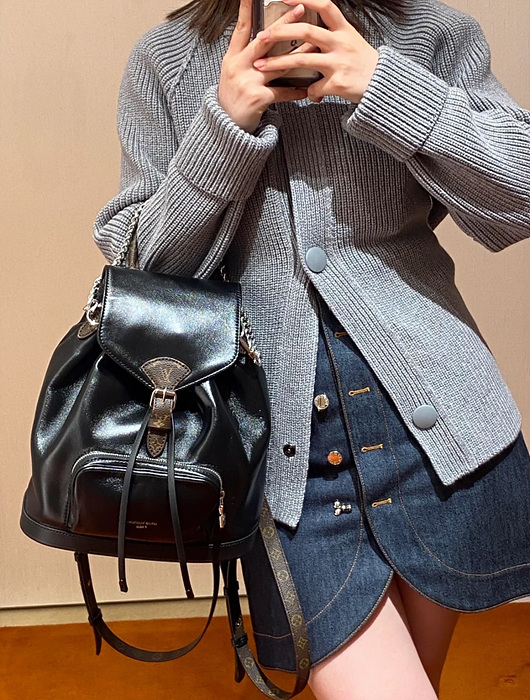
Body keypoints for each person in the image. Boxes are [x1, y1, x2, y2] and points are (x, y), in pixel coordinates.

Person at [93, 0, 530, 697]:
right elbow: (143, 271)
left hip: (441, 436)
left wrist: (387, 86)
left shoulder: (430, 34)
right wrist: (223, 128)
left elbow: (520, 191)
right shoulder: (165, 61)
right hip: (288, 469)